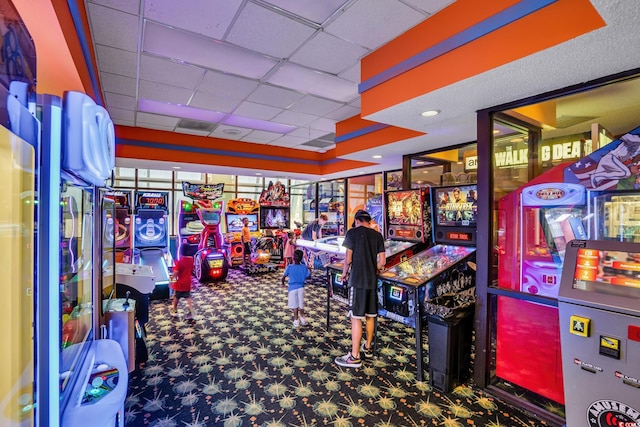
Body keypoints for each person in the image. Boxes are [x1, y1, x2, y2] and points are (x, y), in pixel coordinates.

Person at [335, 210, 386, 368]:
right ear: (369, 221)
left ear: (357, 221)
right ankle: (368, 347)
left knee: (355, 317)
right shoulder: (377, 235)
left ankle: (355, 356)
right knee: (370, 315)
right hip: (372, 281)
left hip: (357, 280)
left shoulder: (352, 233)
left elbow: (348, 259)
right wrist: (373, 267)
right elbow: (382, 262)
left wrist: (344, 274)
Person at [281, 249, 311, 327]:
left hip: (292, 288)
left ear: (293, 257)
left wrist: (283, 284)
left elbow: (283, 277)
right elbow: (308, 277)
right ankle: (303, 319)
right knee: (301, 303)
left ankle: (296, 319)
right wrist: (309, 270)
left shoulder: (289, 267)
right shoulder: (304, 267)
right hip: (301, 287)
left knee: (294, 305)